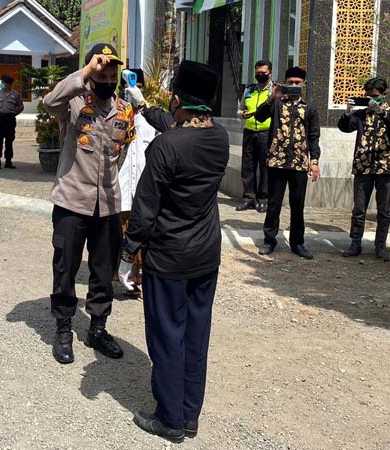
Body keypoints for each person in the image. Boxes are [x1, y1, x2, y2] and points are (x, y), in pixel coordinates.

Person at [123, 59, 229, 444]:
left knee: (168, 335)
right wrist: (140, 105)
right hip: (205, 254)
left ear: (178, 98)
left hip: (168, 256)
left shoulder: (166, 146)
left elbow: (145, 206)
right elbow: (177, 128)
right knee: (196, 335)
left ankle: (168, 419)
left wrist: (128, 251)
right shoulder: (218, 139)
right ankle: (188, 416)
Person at [43, 43, 135, 364]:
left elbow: (121, 154)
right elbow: (49, 100)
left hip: (108, 205)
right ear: (92, 72)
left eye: (113, 73)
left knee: (102, 270)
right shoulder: (73, 105)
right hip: (71, 202)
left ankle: (98, 328)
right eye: (102, 72)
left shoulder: (124, 110)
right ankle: (64, 328)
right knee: (66, 267)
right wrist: (85, 73)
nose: (109, 78)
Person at [256, 66, 321, 259]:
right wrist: (272, 97)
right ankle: (269, 240)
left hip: (299, 164)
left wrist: (314, 161)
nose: (293, 86)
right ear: (285, 83)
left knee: (297, 204)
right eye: (290, 83)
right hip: (277, 161)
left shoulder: (310, 108)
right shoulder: (276, 104)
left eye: (297, 83)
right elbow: (259, 117)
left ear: (304, 85)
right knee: (274, 203)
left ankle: (298, 243)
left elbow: (313, 137)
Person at [338, 77, 390, 261]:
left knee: (383, 211)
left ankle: (380, 246)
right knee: (359, 209)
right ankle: (355, 243)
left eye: (375, 96)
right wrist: (347, 113)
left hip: (385, 167)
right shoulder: (361, 115)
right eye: (368, 97)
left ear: (384, 95)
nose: (371, 100)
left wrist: (381, 111)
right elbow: (344, 128)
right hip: (363, 166)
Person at [117, 68, 156, 298]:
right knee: (120, 233)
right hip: (120, 186)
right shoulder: (117, 115)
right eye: (128, 89)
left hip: (143, 186)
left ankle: (138, 278)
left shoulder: (152, 119)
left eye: (136, 88)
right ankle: (121, 275)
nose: (131, 93)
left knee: (141, 233)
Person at [237, 60, 273, 212]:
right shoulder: (249, 90)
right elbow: (239, 109)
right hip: (249, 131)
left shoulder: (274, 91)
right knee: (248, 166)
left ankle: (263, 199)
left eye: (263, 73)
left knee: (265, 167)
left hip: (267, 132)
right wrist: (242, 114)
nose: (260, 75)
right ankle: (248, 198)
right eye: (258, 73)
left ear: (270, 73)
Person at [0, 74, 24, 170]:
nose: (2, 84)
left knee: (9, 141)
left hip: (10, 119)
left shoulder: (15, 95)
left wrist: (13, 114)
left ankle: (8, 161)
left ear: (9, 84)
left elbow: (20, 107)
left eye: (3, 83)